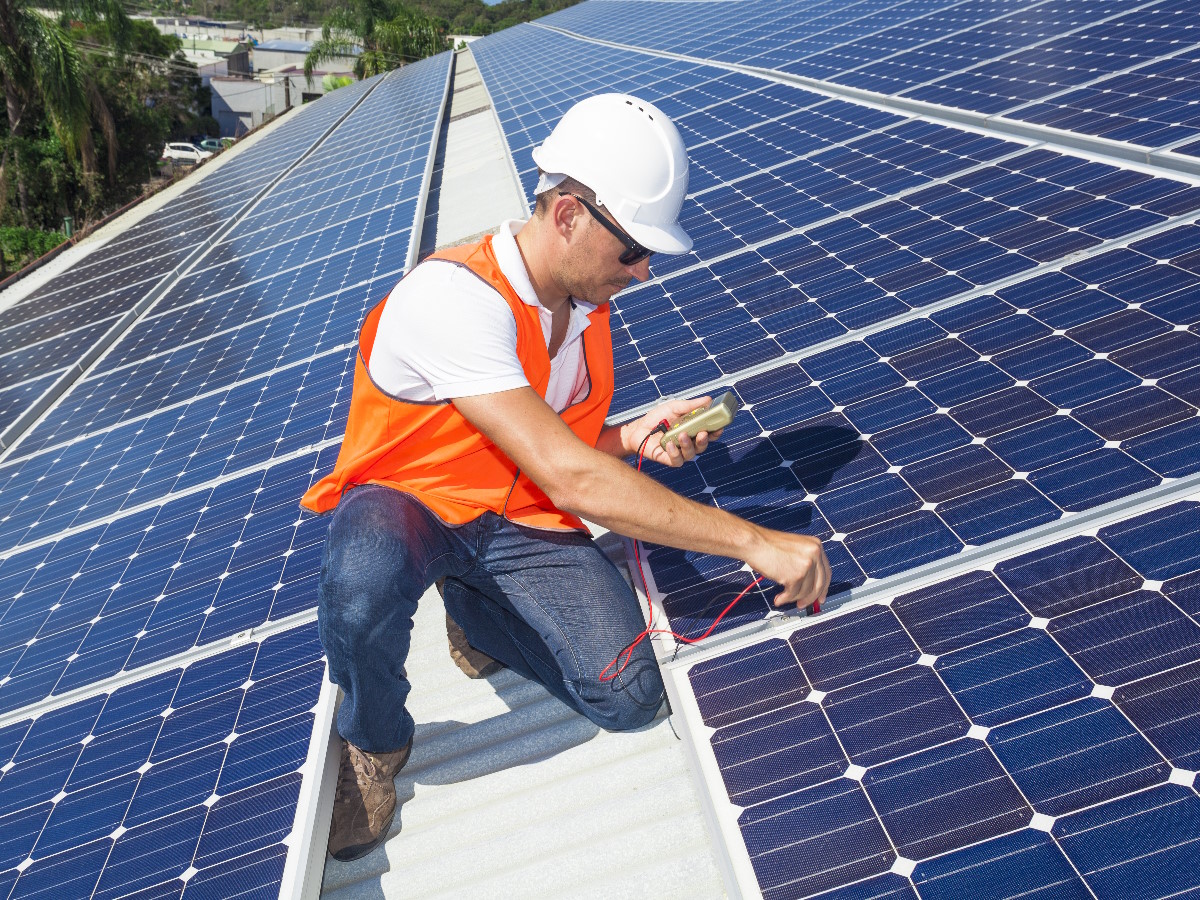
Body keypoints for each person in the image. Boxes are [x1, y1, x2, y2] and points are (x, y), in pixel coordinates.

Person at [301, 93, 831, 862]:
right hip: (409, 506)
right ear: (570, 213)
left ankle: (474, 609)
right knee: (363, 578)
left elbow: (562, 443)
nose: (643, 273)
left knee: (629, 699)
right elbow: (571, 476)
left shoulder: (582, 309)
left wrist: (634, 437)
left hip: (516, 519)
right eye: (633, 251)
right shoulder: (453, 299)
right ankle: (376, 742)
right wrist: (755, 543)